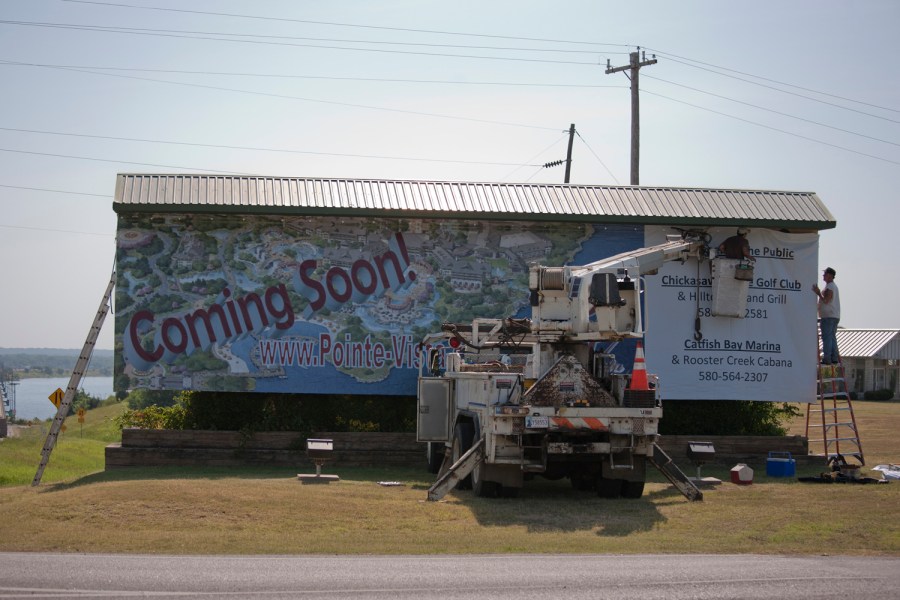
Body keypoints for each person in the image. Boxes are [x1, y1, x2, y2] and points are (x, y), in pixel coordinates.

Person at [812, 267, 841, 364]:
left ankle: (827, 358)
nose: (823, 276)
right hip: (833, 316)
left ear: (830, 275)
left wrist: (818, 293)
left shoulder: (830, 287)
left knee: (827, 337)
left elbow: (826, 300)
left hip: (829, 316)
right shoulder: (832, 286)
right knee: (831, 337)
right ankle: (833, 358)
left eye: (825, 274)